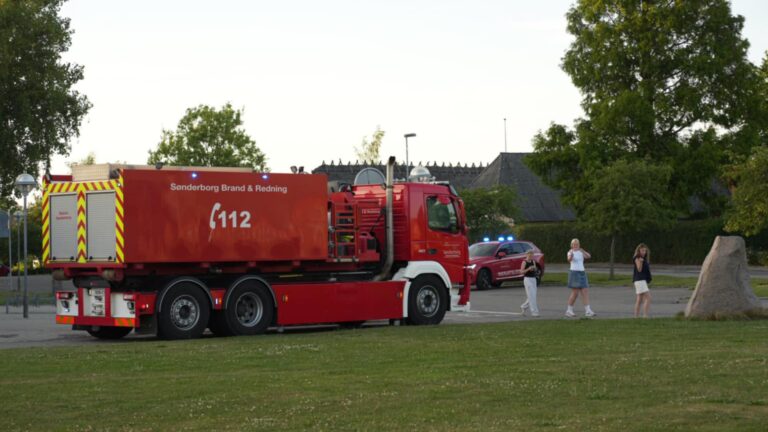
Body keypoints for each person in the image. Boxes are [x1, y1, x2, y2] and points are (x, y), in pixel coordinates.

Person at [565, 238, 595, 317]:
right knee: (575, 293)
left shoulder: (581, 252)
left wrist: (582, 250)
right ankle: (569, 310)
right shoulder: (570, 252)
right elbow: (569, 259)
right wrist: (571, 256)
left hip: (582, 272)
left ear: (579, 245)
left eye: (577, 244)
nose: (575, 245)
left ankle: (588, 310)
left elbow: (588, 256)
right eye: (574, 244)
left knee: (585, 291)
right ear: (571, 245)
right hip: (574, 273)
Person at [633, 243, 652, 318]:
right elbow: (639, 269)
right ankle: (645, 315)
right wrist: (641, 262)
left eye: (645, 250)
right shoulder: (637, 258)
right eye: (642, 250)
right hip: (639, 280)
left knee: (639, 299)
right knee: (648, 298)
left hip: (641, 280)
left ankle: (636, 316)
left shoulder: (643, 258)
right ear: (639, 251)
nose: (644, 252)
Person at [520, 250, 540, 317]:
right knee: (531, 296)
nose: (530, 255)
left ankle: (524, 306)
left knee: (533, 295)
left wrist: (534, 269)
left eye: (532, 254)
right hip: (527, 279)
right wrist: (528, 269)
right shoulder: (524, 262)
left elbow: (534, 269)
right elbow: (521, 272)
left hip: (533, 279)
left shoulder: (533, 261)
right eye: (529, 254)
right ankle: (534, 312)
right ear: (526, 254)